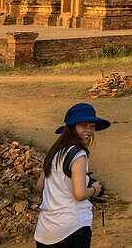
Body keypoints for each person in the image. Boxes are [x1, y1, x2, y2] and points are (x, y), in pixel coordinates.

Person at [34, 103, 110, 248]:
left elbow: (39, 187)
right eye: (83, 125)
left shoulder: (55, 152)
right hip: (72, 229)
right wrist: (95, 189)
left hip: (45, 231)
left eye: (92, 126)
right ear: (71, 128)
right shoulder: (79, 154)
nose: (89, 131)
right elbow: (80, 194)